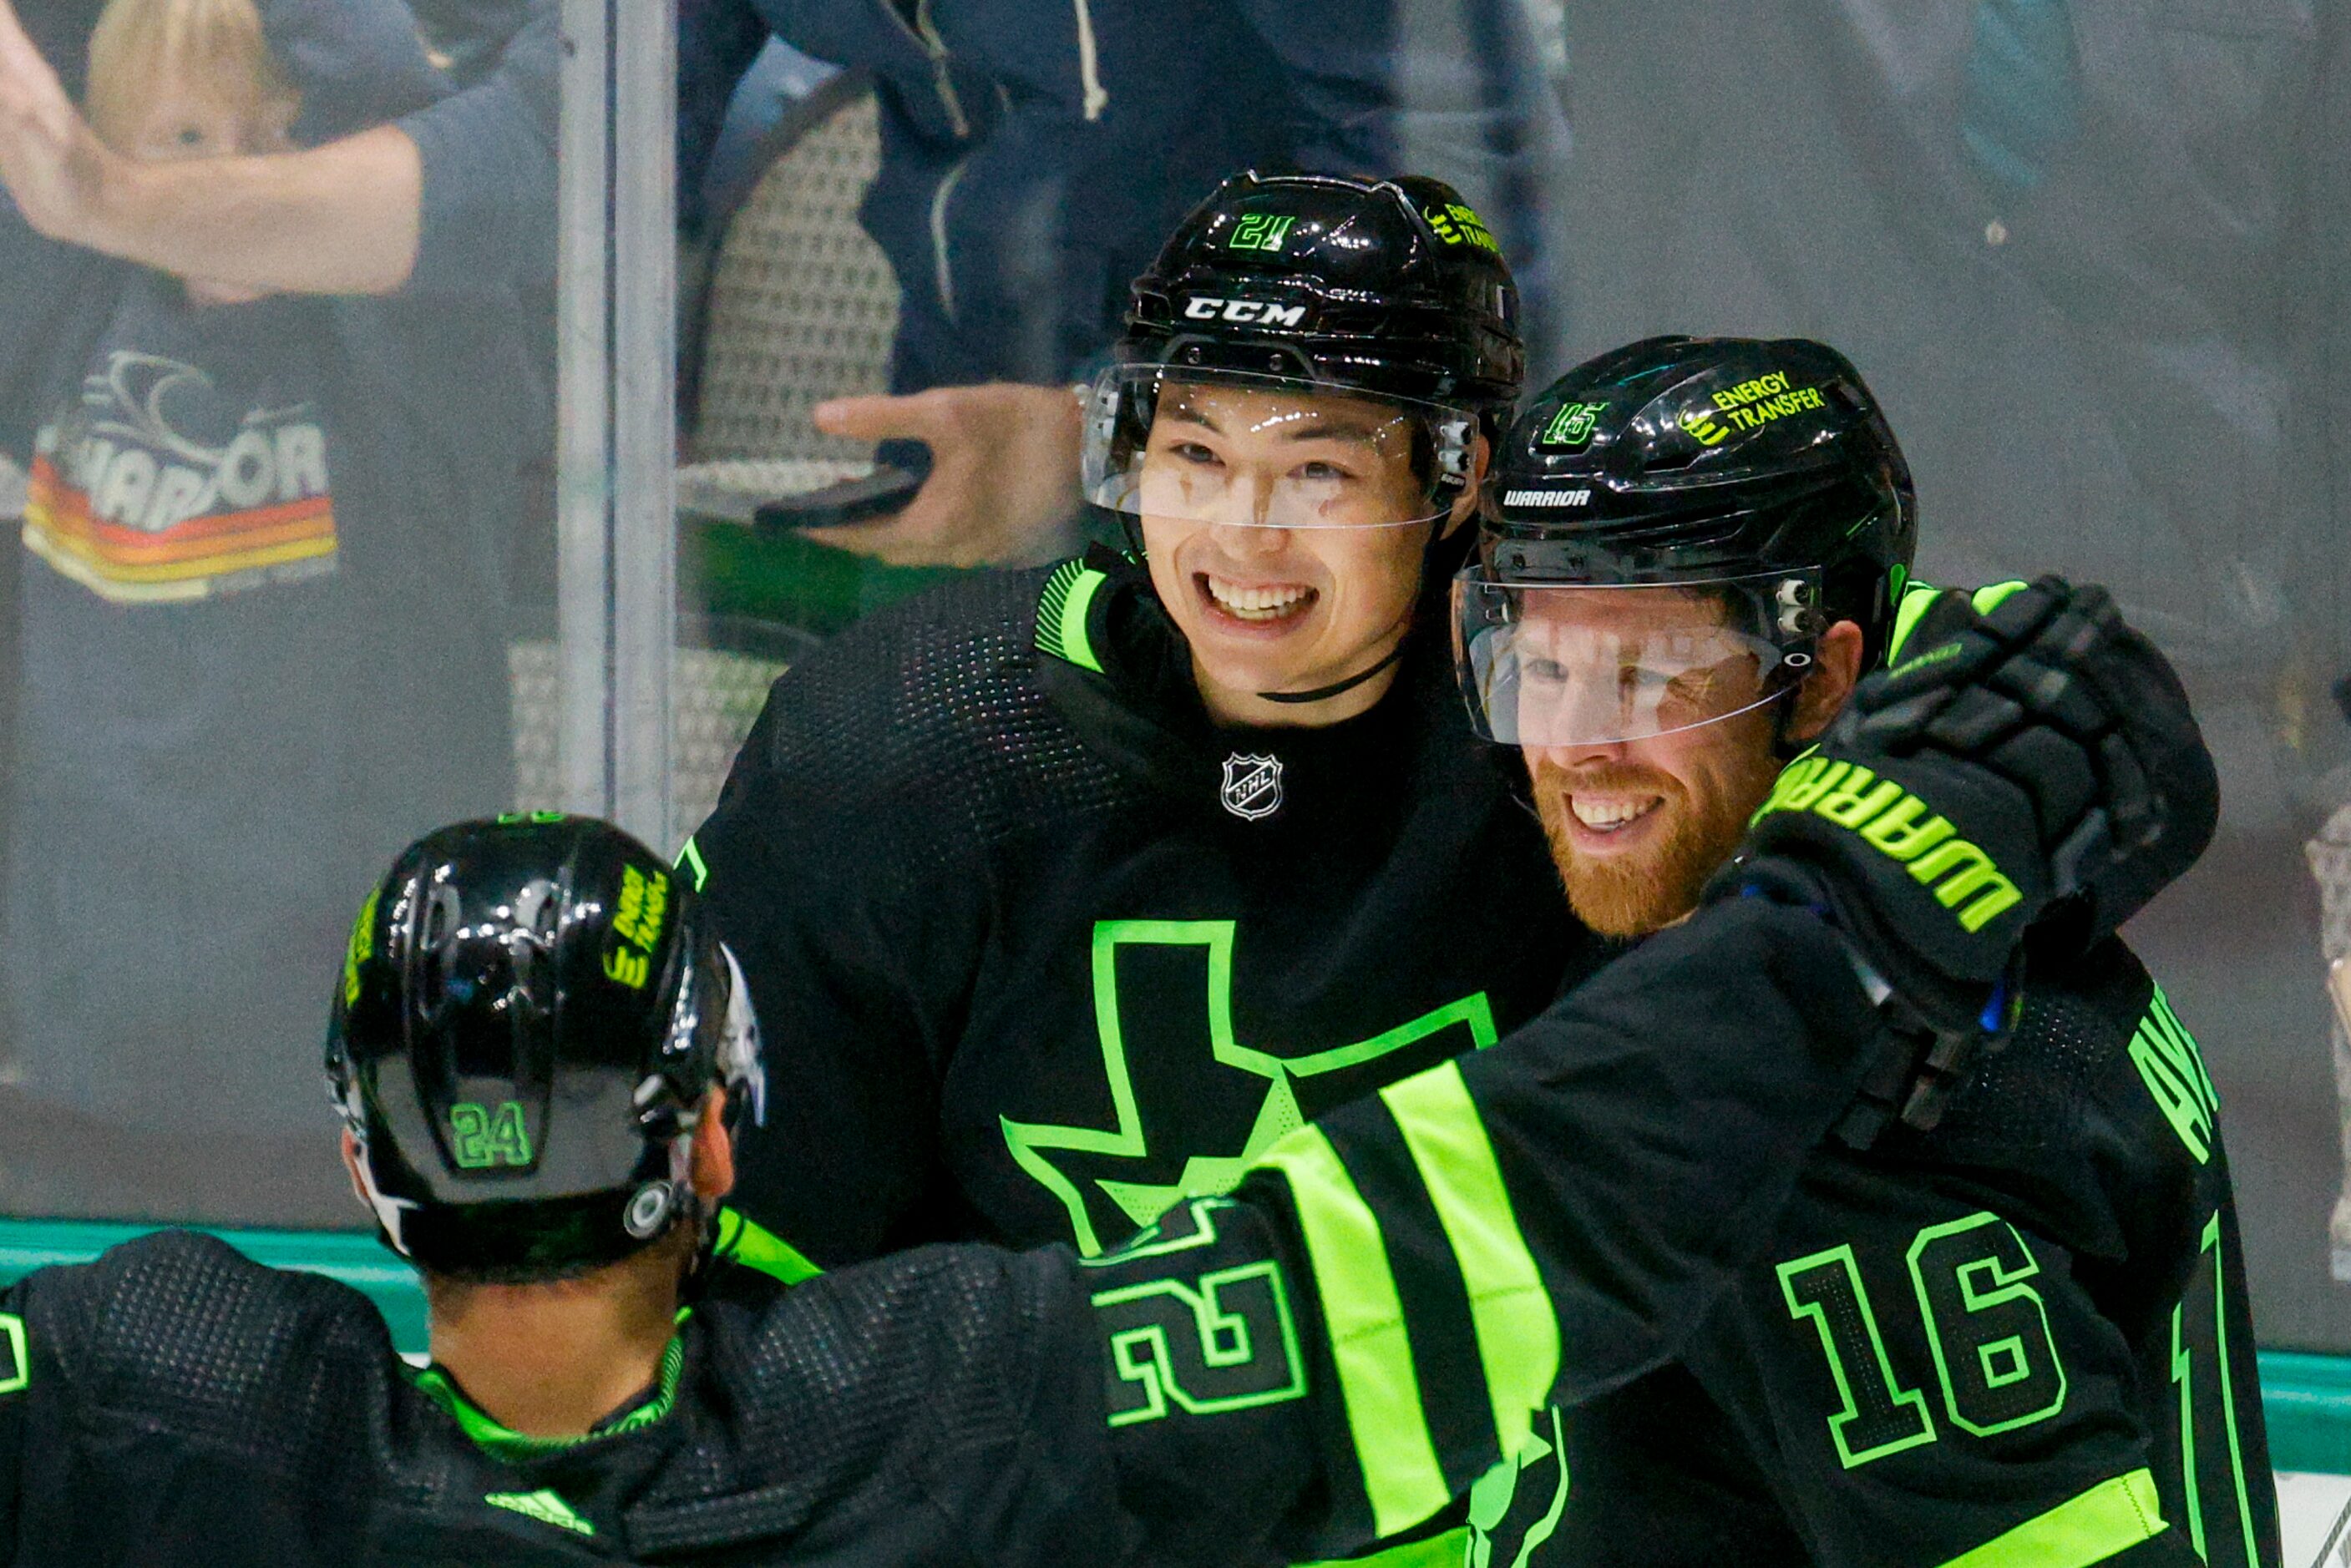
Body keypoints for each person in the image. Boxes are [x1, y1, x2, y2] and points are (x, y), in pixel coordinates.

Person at [0, 689, 2188, 1561]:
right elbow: (1505, 1219)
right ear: (724, 1138)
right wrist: (1825, 909)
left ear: (363, 1158)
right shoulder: (934, 1405)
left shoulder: (163, 1400)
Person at [1448, 338, 2276, 1565]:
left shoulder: (1823, 1131)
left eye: (1649, 678)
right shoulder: (1975, 880)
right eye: (1543, 667)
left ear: (1825, 671)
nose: (1570, 745)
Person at [0, 0, 545, 1221]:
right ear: (105, 162)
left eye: (278, 137)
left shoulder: (416, 347)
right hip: (89, 1057)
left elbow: (391, 117)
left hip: (353, 1070)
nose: (238, 176)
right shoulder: (65, 315)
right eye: (186, 138)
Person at [674, 0, 1572, 568]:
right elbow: (595, 113)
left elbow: (1461, 197)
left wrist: (1117, 437)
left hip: (1286, 469)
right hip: (972, 435)